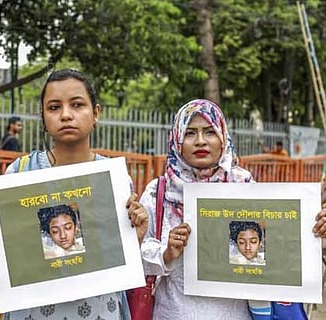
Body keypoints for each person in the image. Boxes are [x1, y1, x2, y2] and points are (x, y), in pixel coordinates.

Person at [0, 68, 148, 319]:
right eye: (54, 107)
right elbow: (7, 247)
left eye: (77, 105)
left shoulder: (114, 180)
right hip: (32, 312)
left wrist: (137, 234)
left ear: (96, 113)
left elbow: (116, 255)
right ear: (43, 118)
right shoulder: (20, 172)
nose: (66, 115)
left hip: (100, 310)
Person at [139, 99, 326, 320]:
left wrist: (315, 232)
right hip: (173, 313)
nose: (200, 141)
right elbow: (136, 258)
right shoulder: (158, 193)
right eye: (189, 133)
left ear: (223, 137)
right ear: (177, 139)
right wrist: (167, 253)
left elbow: (276, 246)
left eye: (209, 132)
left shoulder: (244, 187)